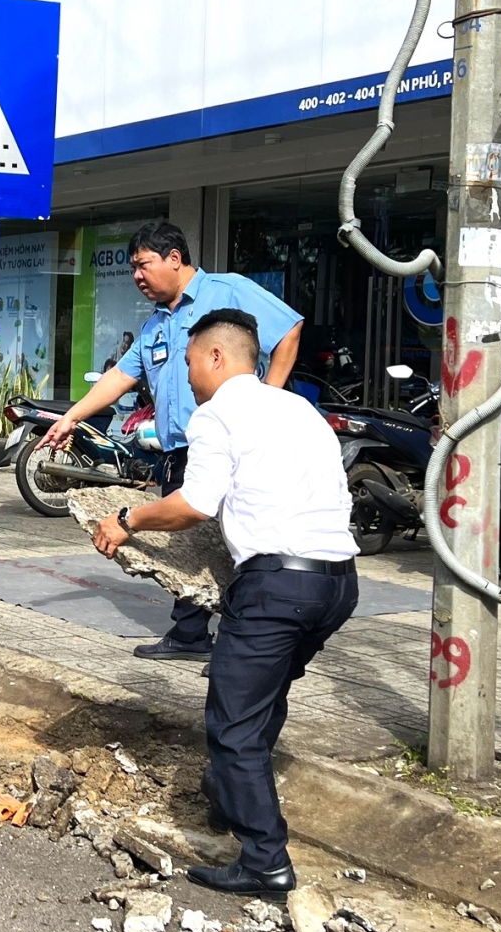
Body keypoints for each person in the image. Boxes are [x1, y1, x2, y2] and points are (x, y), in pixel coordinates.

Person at [92, 308, 357, 895]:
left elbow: (195, 503)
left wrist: (126, 519)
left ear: (217, 357)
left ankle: (266, 860)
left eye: (188, 364)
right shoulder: (297, 407)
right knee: (260, 699)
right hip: (338, 583)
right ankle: (225, 793)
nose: (187, 378)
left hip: (276, 587)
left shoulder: (217, 414)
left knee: (232, 724)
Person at [43, 222, 302, 661]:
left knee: (240, 542)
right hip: (180, 451)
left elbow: (290, 330)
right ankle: (191, 636)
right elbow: (121, 377)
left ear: (175, 258)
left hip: (233, 444)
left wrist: (266, 401)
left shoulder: (228, 290)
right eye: (133, 269)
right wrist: (71, 417)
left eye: (144, 265)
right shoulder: (155, 324)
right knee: (189, 545)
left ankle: (243, 642)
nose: (137, 277)